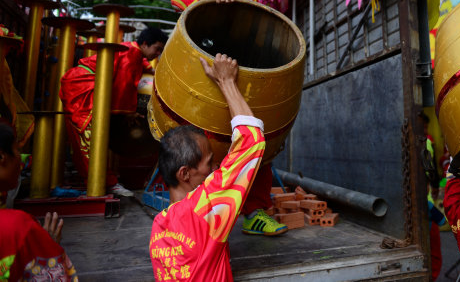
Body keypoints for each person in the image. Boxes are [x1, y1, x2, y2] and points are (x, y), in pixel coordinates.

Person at [170, 0, 286, 236]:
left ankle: (255, 213)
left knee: (258, 138)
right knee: (196, 145)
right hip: (199, 72)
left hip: (237, 74)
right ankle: (191, 213)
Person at [149, 54, 265, 281]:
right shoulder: (205, 209)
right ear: (184, 173)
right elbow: (251, 141)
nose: (217, 167)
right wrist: (226, 81)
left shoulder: (159, 225)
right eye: (210, 162)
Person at [59, 26, 168, 197]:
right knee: (89, 138)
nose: (158, 54)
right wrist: (128, 112)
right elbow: (123, 86)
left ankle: (103, 180)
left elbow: (143, 67)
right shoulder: (132, 54)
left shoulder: (134, 52)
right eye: (157, 49)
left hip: (84, 87)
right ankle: (107, 183)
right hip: (82, 88)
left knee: (92, 138)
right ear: (145, 44)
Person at [0, 123, 78, 281]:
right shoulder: (17, 228)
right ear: (2, 157)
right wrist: (45, 246)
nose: (22, 163)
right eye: (18, 151)